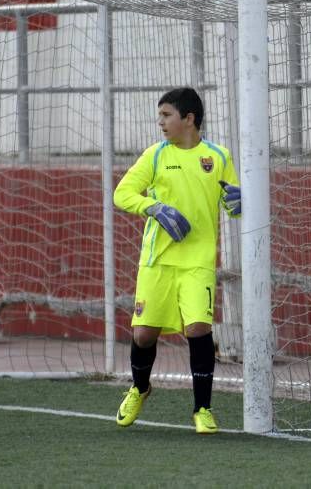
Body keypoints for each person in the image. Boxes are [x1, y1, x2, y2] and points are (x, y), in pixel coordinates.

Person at [112, 87, 241, 434]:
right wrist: (153, 207)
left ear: (189, 119)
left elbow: (233, 205)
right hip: (157, 262)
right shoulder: (155, 156)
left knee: (198, 329)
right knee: (142, 336)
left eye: (167, 115)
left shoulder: (218, 156)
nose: (161, 123)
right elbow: (122, 193)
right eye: (160, 116)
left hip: (198, 261)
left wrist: (241, 202)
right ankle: (140, 388)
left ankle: (202, 409)